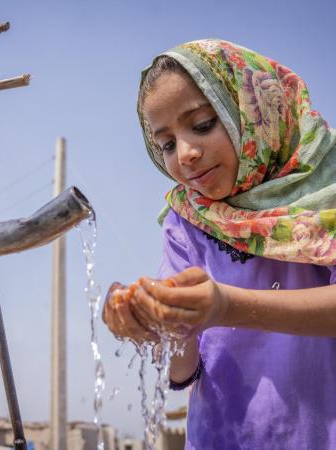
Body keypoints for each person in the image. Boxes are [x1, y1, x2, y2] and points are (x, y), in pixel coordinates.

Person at [102, 39, 336, 450]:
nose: (186, 155)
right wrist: (156, 322)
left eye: (203, 124)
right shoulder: (188, 219)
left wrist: (226, 307)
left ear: (253, 110)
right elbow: (181, 371)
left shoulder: (326, 191)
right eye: (167, 144)